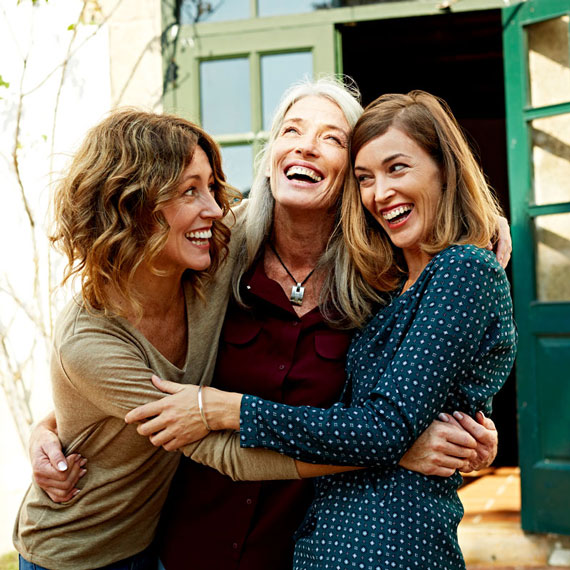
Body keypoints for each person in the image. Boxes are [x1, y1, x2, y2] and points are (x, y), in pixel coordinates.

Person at [30, 80, 509, 569]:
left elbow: (414, 390)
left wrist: (483, 221)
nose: (306, 145)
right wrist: (49, 426)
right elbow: (125, 356)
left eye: (331, 138)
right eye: (292, 129)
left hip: (297, 550)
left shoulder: (381, 279)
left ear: (351, 176)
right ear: (272, 151)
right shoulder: (215, 256)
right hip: (183, 548)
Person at [14, 109, 306, 570]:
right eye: (190, 190)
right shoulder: (90, 340)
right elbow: (223, 453)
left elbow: (278, 197)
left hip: (153, 542)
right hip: (73, 555)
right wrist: (379, 448)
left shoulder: (208, 261)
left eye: (211, 186)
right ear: (129, 206)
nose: (213, 208)